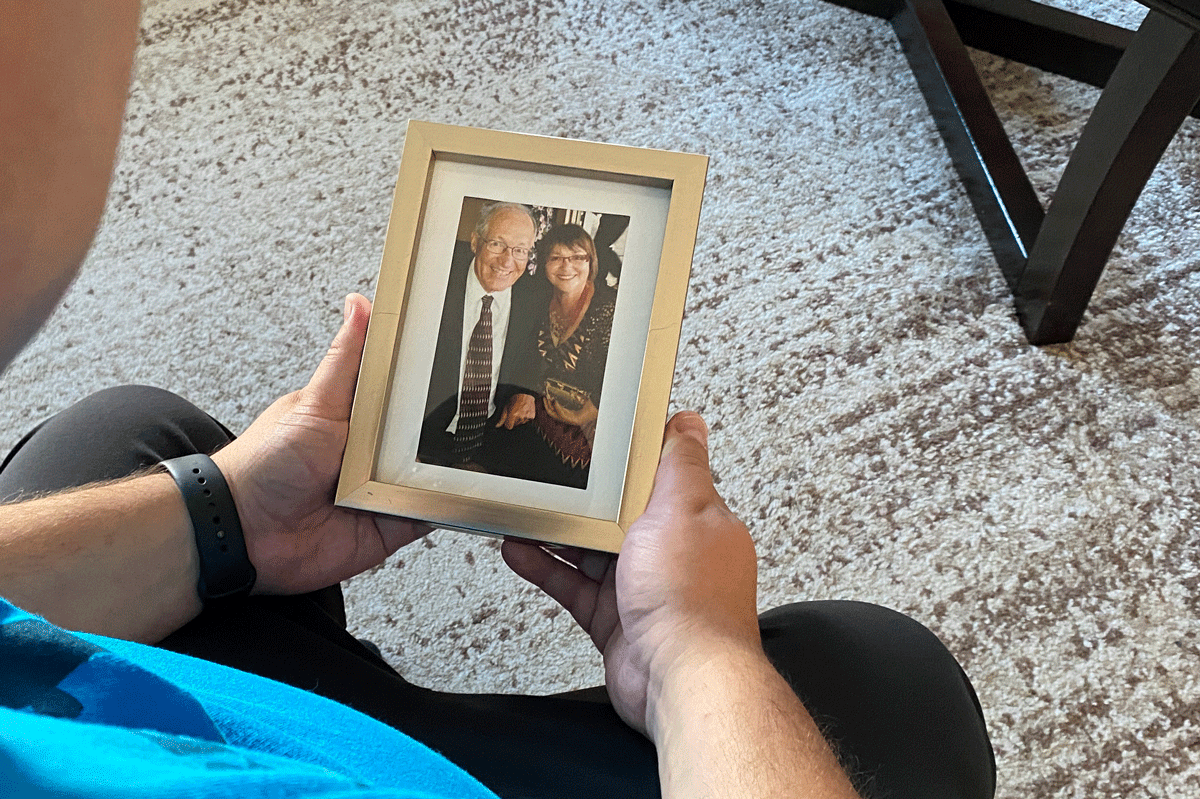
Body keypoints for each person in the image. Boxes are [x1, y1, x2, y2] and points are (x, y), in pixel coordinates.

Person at [0, 4, 997, 799]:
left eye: (546, 252)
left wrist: (218, 517)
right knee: (885, 691)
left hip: (122, 710)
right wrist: (695, 658)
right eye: (518, 251)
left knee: (130, 434)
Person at [417, 201, 547, 473]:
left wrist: (527, 392)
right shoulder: (430, 281)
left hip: (493, 436)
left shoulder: (535, 297)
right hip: (422, 436)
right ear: (476, 241)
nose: (507, 261)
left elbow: (534, 352)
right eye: (497, 244)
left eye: (520, 250)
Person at [498, 223, 616, 489]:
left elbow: (629, 374)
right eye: (556, 258)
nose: (567, 267)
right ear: (543, 263)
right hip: (537, 421)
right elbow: (522, 353)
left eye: (577, 257)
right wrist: (523, 390)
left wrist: (591, 410)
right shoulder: (537, 301)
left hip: (590, 436)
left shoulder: (612, 308)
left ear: (591, 262)